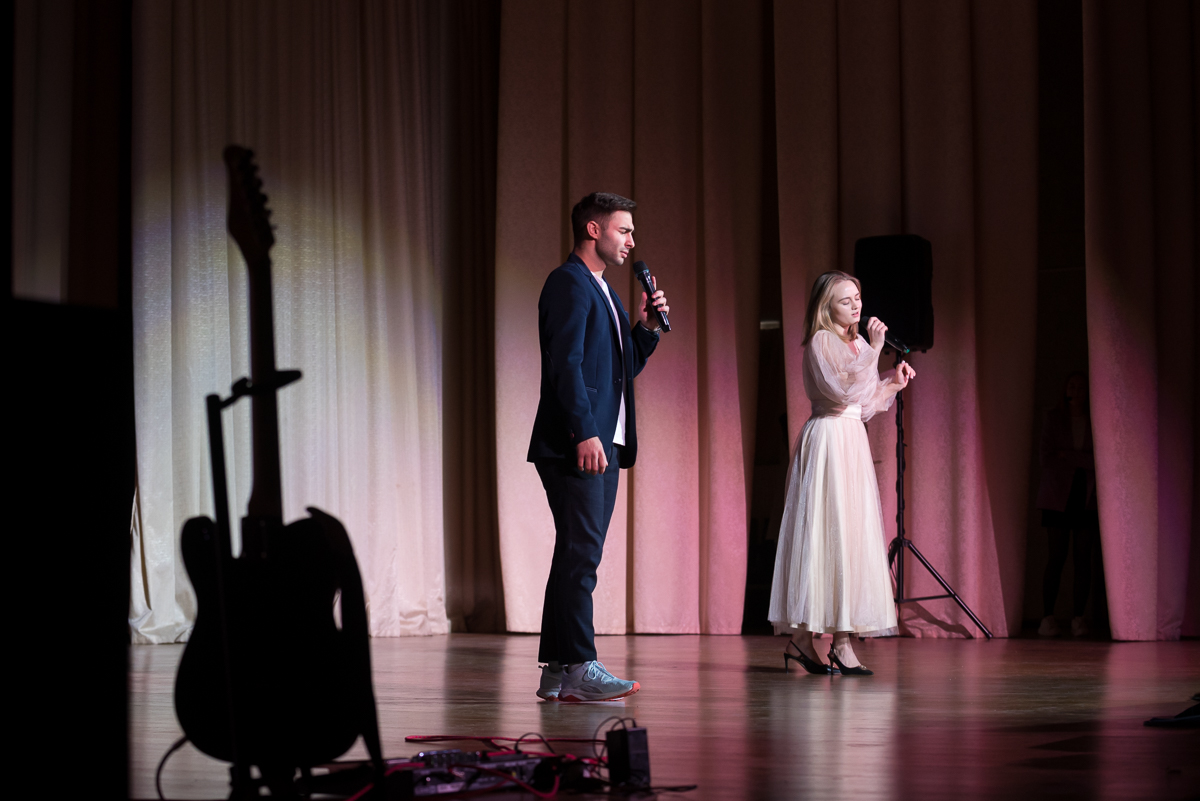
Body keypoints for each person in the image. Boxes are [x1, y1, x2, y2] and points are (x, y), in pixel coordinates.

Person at [528, 192, 668, 702]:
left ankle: (557, 670)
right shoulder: (568, 282)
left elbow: (618, 370)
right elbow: (564, 364)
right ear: (593, 229)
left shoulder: (603, 289)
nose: (631, 241)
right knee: (581, 554)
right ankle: (580, 667)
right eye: (623, 230)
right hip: (579, 441)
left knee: (575, 553)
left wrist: (646, 329)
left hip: (602, 440)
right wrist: (584, 431)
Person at [768, 270, 914, 676]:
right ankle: (820, 640)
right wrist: (876, 350)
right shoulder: (821, 342)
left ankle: (828, 641)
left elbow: (861, 404)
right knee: (826, 535)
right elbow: (840, 393)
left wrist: (892, 383)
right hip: (828, 439)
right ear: (826, 307)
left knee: (850, 537)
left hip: (851, 438)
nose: (856, 306)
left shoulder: (858, 344)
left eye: (858, 298)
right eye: (845, 300)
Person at [1035, 371, 1097, 638]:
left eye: (1081, 387)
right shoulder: (1054, 418)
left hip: (1086, 495)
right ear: (1065, 389)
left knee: (1083, 558)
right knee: (1056, 557)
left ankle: (1078, 618)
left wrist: (1068, 456)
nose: (1076, 391)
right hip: (1057, 495)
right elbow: (1047, 459)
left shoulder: (1096, 420)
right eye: (1071, 386)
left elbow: (1099, 461)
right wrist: (1079, 459)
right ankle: (1047, 617)